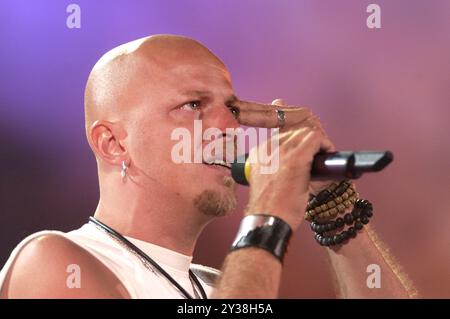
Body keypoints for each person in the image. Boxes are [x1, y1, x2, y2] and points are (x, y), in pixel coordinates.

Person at [0, 34, 417, 298]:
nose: (229, 126)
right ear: (112, 144)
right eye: (193, 105)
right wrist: (268, 214)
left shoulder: (218, 286)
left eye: (232, 108)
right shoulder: (55, 262)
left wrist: (334, 204)